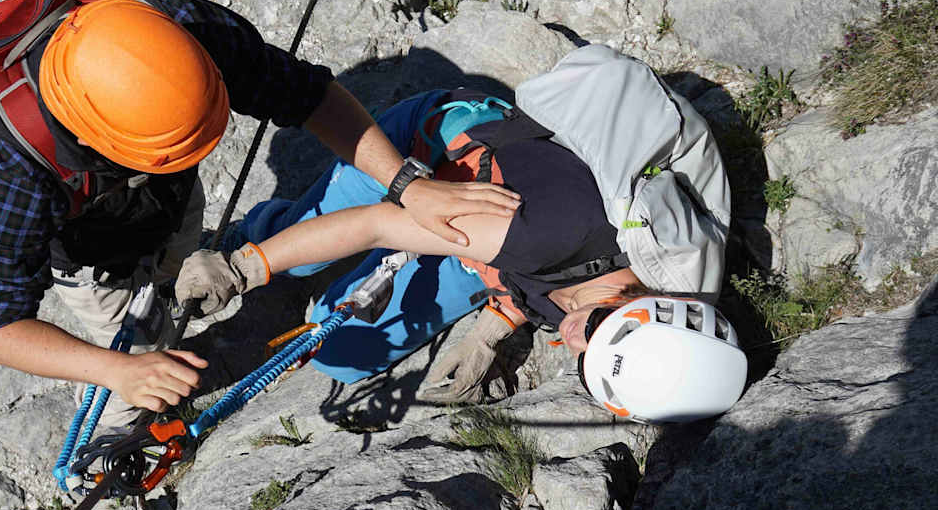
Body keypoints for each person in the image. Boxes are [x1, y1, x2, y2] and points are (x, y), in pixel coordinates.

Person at [0, 0, 519, 430]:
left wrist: (406, 183)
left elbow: (309, 96)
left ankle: (246, 249)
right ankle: (117, 430)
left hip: (168, 201)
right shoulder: (6, 168)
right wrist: (117, 369)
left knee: (183, 271)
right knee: (142, 341)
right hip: (92, 255)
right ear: (104, 142)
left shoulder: (179, 32)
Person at [176, 88, 748, 423]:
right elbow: (377, 224)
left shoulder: (638, 304)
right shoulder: (553, 237)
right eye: (594, 327)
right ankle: (257, 231)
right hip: (433, 155)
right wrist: (246, 267)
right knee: (299, 252)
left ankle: (306, 264)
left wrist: (492, 331)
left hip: (495, 236)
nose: (571, 339)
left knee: (341, 349)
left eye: (583, 358)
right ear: (637, 306)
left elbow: (555, 291)